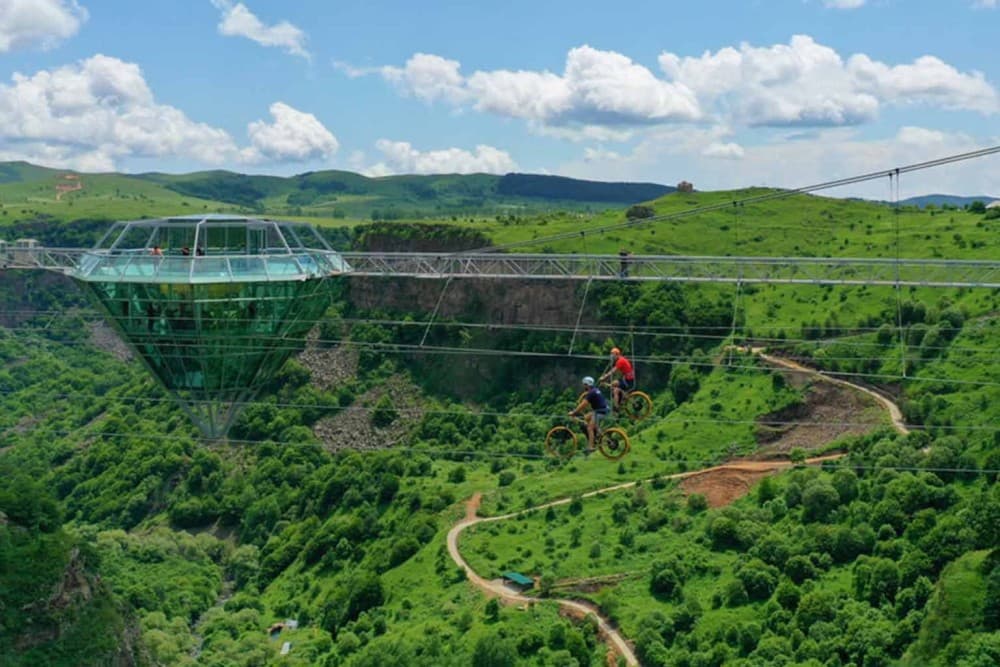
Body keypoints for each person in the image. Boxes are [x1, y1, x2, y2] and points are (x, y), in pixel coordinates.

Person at [569, 376, 609, 452]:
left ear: (587, 385)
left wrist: (574, 413)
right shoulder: (595, 390)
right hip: (601, 410)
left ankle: (591, 447)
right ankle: (597, 433)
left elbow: (583, 405)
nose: (583, 386)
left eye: (584, 384)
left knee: (589, 428)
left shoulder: (591, 393)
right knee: (586, 418)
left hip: (600, 411)